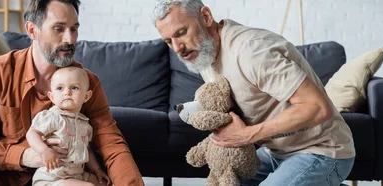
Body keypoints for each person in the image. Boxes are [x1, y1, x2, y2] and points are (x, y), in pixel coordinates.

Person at [0, 0, 144, 185]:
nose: (70, 39)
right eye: (59, 29)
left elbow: (111, 142)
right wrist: (25, 156)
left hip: (60, 181)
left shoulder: (86, 83)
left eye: (74, 29)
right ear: (32, 30)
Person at [152, 0, 356, 185]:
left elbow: (318, 108)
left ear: (205, 17)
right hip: (276, 153)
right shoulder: (203, 56)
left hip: (322, 150)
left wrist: (246, 135)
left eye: (181, 33)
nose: (178, 48)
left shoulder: (252, 51)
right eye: (169, 41)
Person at [27, 67, 111, 186]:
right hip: (53, 177)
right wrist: (44, 150)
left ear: (86, 96)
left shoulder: (84, 124)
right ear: (51, 97)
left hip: (76, 174)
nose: (67, 92)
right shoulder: (52, 116)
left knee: (99, 183)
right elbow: (32, 133)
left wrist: (97, 170)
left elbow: (87, 150)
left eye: (74, 88)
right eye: (60, 88)